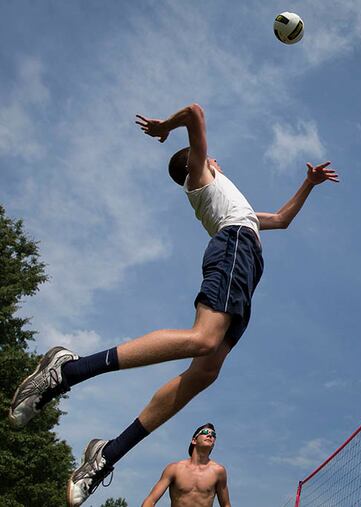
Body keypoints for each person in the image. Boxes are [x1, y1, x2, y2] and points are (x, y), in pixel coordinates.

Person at [8, 103, 339, 506]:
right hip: (233, 250)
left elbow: (284, 219)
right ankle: (67, 371)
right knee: (203, 339)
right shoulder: (199, 177)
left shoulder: (240, 208)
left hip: (247, 264)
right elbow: (196, 114)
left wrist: (309, 184)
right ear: (199, 164)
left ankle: (107, 454)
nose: (215, 158)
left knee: (205, 371)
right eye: (209, 156)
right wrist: (167, 126)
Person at [142, 423, 231, 507]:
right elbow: (151, 500)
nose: (210, 435)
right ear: (194, 440)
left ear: (213, 445)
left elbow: (226, 505)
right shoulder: (174, 469)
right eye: (205, 432)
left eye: (213, 435)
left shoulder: (218, 471)